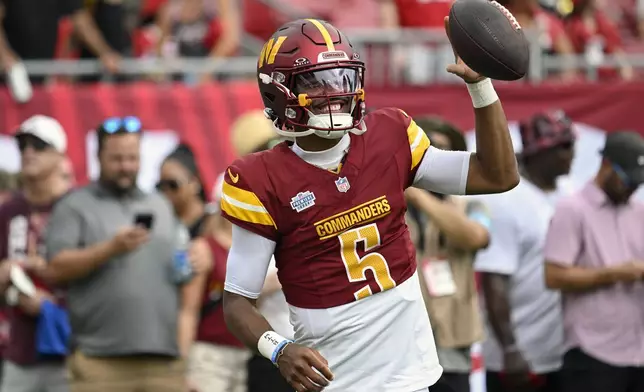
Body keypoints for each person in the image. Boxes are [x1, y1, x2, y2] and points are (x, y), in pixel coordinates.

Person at [221, 18, 519, 392]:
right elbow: (237, 303)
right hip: (336, 382)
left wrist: (479, 86)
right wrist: (279, 349)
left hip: (412, 377)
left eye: (341, 77)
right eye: (316, 81)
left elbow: (498, 175)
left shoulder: (390, 135)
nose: (334, 91)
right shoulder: (260, 178)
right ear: (279, 91)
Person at [44, 117, 203, 392]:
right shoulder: (74, 206)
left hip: (163, 363)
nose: (126, 166)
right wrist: (109, 249)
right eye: (116, 158)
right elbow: (55, 268)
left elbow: (182, 268)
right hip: (99, 363)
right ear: (98, 157)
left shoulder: (161, 205)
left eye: (132, 157)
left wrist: (197, 257)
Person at [475, 110, 576, 392]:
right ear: (537, 151)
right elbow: (494, 282)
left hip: (559, 349)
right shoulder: (506, 201)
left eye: (572, 144)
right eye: (563, 146)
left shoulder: (567, 190)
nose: (572, 153)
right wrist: (510, 349)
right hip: (518, 357)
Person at [544, 131, 644, 392]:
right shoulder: (573, 209)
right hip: (592, 354)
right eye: (628, 180)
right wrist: (615, 274)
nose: (633, 188)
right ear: (607, 165)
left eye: (638, 182)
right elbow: (554, 276)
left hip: (638, 351)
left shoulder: (638, 211)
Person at [405, 118, 490, 392]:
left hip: (453, 342)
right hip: (405, 345)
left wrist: (418, 196)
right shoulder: (392, 204)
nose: (435, 159)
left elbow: (476, 237)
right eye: (429, 150)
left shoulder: (473, 206)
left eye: (444, 151)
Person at [156, 143, 247, 392]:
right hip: (209, 354)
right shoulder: (204, 247)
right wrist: (182, 366)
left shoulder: (250, 248)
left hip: (243, 355)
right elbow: (189, 310)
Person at [0, 115, 70, 392]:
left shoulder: (78, 206)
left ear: (59, 154)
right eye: (23, 145)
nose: (28, 152)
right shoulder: (8, 210)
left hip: (70, 351)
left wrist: (50, 301)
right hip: (20, 352)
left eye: (38, 145)